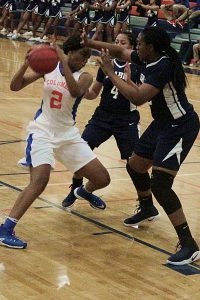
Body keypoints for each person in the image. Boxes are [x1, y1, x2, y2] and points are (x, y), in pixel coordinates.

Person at [79, 27, 200, 265]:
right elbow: (121, 51)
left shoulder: (162, 65)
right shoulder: (148, 56)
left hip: (180, 126)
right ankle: (147, 208)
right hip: (163, 124)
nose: (136, 49)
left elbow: (138, 98)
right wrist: (90, 42)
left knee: (161, 184)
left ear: (151, 47)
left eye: (140, 44)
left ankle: (189, 244)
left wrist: (110, 73)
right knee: (135, 166)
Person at [0, 35, 110, 249]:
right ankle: (6, 228)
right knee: (40, 181)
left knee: (102, 179)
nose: (85, 59)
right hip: (42, 131)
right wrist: (26, 64)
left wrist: (61, 58)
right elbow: (15, 86)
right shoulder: (47, 68)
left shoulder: (84, 76)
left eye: (88, 55)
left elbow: (76, 91)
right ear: (70, 52)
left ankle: (83, 191)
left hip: (68, 136)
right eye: (82, 54)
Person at [62, 32, 143, 209]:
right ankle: (75, 190)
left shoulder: (137, 66)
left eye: (123, 43)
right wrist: (79, 90)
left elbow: (140, 95)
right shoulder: (105, 65)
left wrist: (127, 80)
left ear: (131, 47)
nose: (118, 45)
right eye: (116, 42)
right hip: (102, 117)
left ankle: (144, 203)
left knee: (136, 162)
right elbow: (93, 94)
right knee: (82, 151)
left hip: (126, 120)